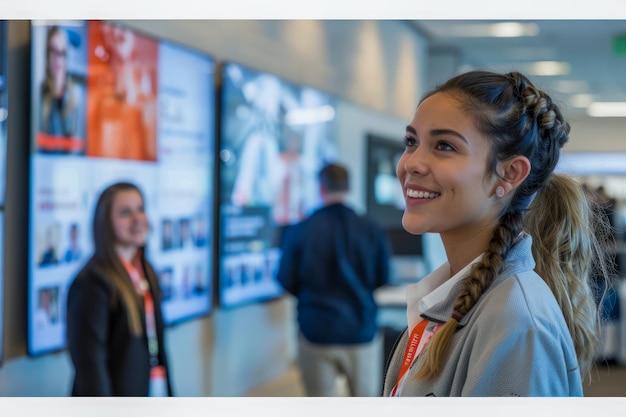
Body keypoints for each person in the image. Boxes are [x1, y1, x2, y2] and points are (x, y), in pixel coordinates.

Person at [382, 70, 614, 397]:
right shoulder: (453, 298)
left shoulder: (516, 324)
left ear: (510, 173)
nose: (412, 164)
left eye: (444, 146)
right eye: (412, 142)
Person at [277, 163, 392, 397]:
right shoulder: (371, 228)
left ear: (321, 188)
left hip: (316, 332)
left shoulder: (301, 229)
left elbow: (285, 279)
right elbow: (384, 277)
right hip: (361, 332)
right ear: (348, 187)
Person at [66, 182, 173, 396]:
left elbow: (157, 344)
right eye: (125, 213)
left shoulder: (146, 269)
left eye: (141, 209)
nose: (138, 220)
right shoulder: (92, 283)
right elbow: (91, 367)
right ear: (105, 223)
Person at [39, 25, 84, 149]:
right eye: (54, 51)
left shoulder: (76, 95)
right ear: (47, 55)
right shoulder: (39, 95)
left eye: (62, 53)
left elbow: (78, 145)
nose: (58, 60)